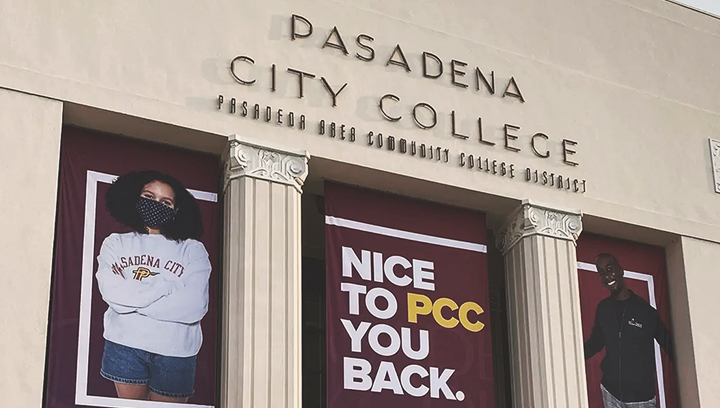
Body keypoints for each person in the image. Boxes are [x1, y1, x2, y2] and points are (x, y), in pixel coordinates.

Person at [95, 170, 211, 403]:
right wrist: (166, 288)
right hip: (124, 345)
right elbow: (112, 293)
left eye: (165, 202)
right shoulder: (115, 243)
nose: (156, 205)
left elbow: (194, 306)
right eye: (149, 197)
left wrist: (132, 301)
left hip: (176, 351)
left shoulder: (192, 249)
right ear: (135, 198)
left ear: (176, 210)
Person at [584, 253, 673, 408]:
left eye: (610, 269)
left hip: (641, 398)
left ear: (621, 271)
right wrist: (571, 358)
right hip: (610, 392)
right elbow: (596, 342)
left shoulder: (645, 312)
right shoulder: (603, 308)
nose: (607, 276)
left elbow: (670, 345)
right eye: (602, 272)